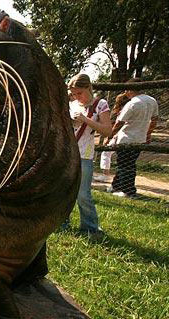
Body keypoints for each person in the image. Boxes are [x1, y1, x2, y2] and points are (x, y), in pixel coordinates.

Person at [63, 73, 112, 237]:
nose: (78, 97)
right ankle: (63, 223)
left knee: (83, 194)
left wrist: (85, 119)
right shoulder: (72, 104)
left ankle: (90, 227)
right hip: (69, 153)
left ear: (88, 88)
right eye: (74, 94)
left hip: (85, 155)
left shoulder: (100, 104)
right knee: (65, 191)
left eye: (80, 93)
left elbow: (107, 130)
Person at [109, 78, 158, 198]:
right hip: (140, 138)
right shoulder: (152, 101)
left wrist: (109, 135)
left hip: (127, 138)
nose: (126, 93)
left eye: (127, 90)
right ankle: (116, 186)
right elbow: (154, 119)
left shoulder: (132, 103)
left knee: (125, 165)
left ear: (130, 89)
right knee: (127, 163)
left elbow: (119, 122)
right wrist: (148, 134)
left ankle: (128, 191)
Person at [95, 92, 130, 182]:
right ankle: (108, 175)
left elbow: (119, 124)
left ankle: (106, 175)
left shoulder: (124, 110)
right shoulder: (125, 109)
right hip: (122, 135)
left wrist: (110, 136)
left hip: (119, 135)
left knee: (106, 152)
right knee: (108, 153)